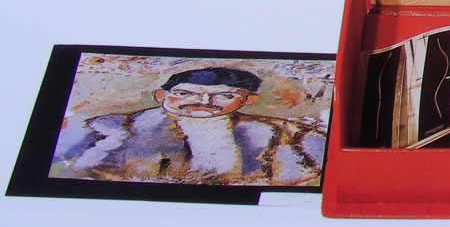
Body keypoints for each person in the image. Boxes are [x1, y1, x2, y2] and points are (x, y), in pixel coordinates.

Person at [54, 67, 325, 186]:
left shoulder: (286, 134)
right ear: (161, 96)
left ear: (248, 101)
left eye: (225, 95)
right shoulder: (107, 128)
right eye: (185, 94)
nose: (203, 102)